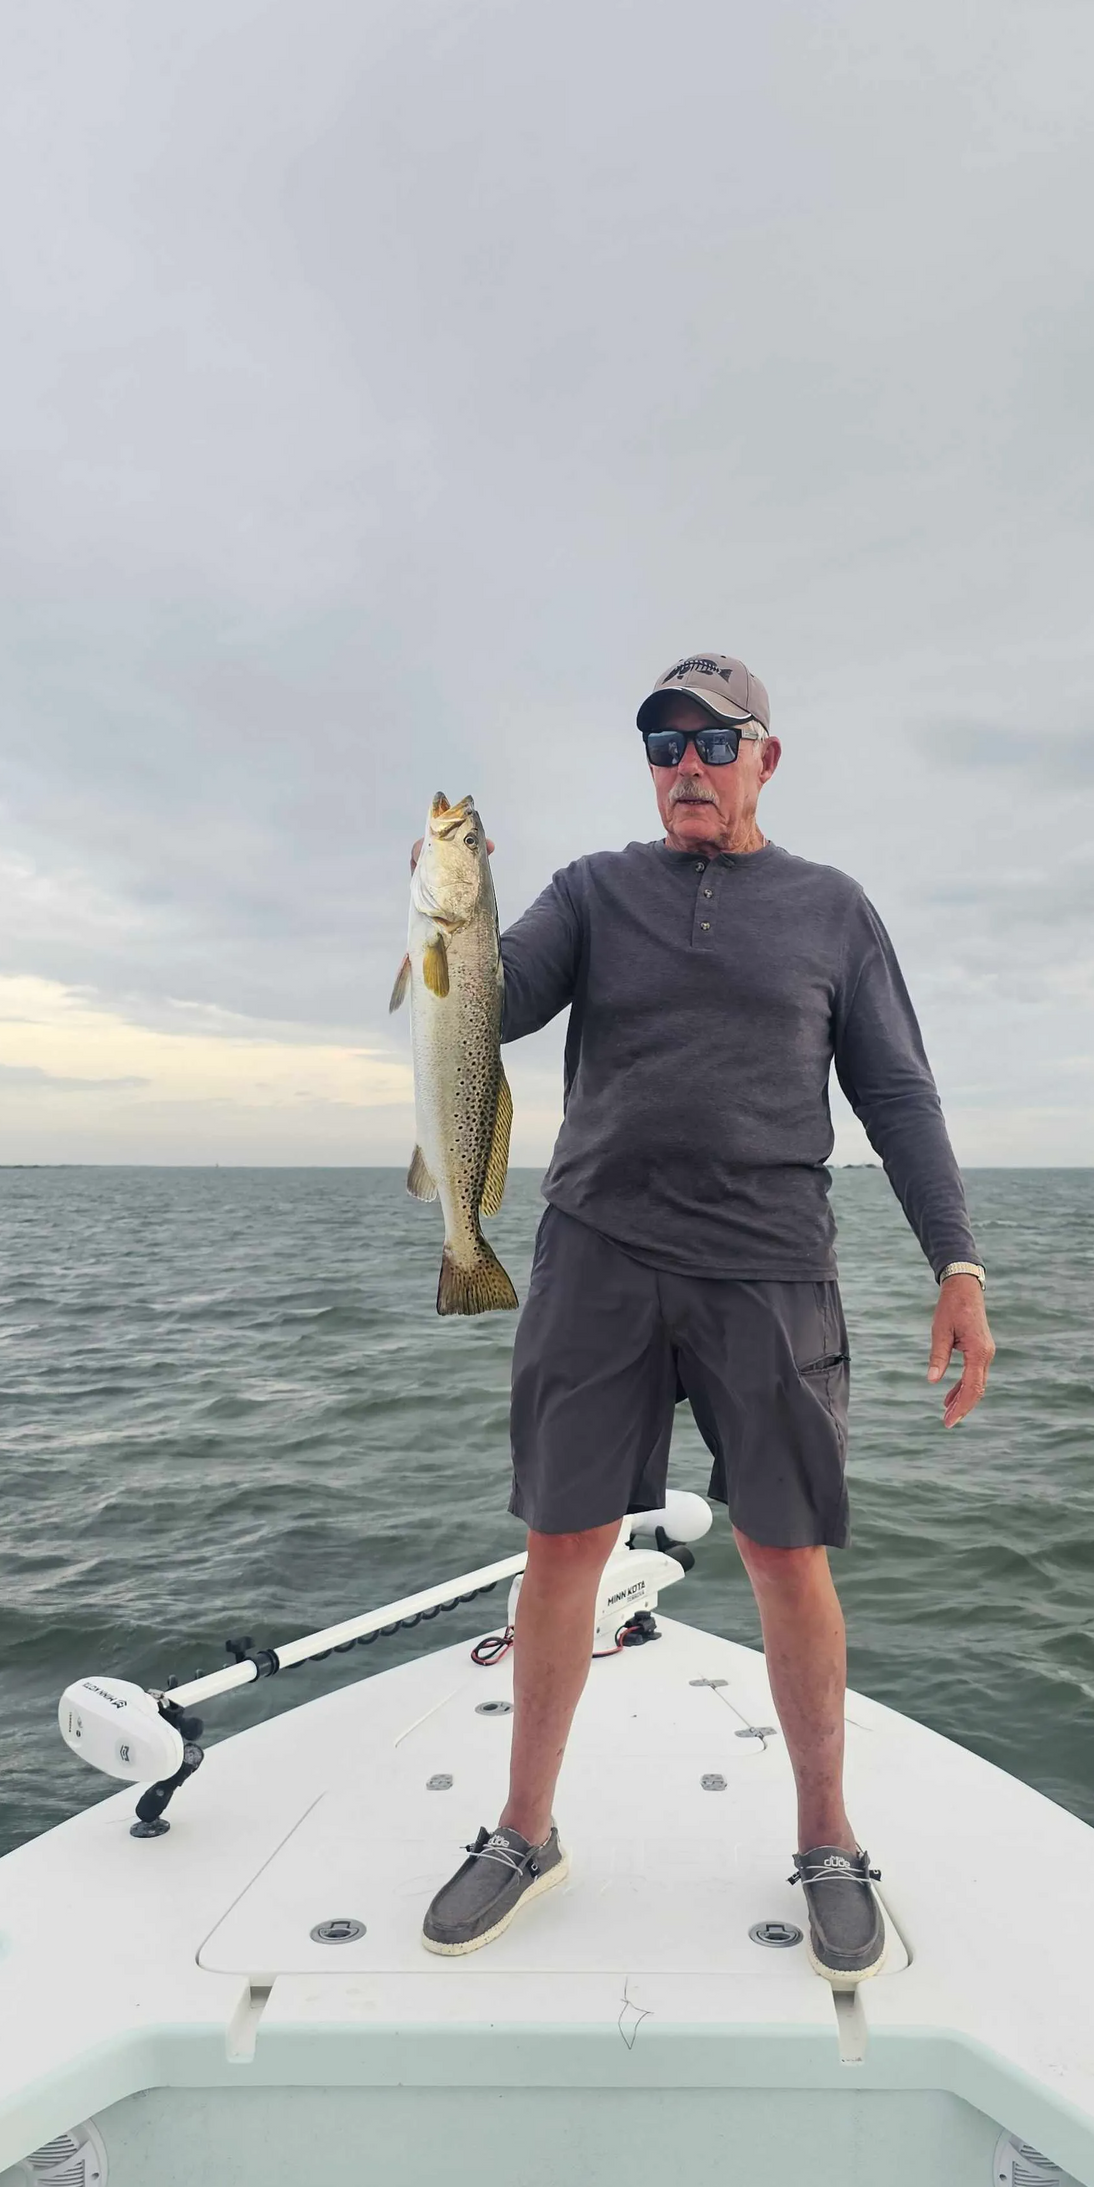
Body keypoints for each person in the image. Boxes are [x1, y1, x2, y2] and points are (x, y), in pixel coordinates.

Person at [420, 654, 994, 1984]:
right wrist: (447, 916)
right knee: (562, 1543)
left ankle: (829, 1839)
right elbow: (484, 1008)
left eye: (712, 742)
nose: (685, 764)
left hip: (770, 1268)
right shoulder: (593, 892)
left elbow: (899, 1099)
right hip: (597, 1256)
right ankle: (524, 1829)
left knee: (788, 1555)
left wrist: (958, 1267)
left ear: (765, 760)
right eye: (661, 744)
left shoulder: (833, 911)